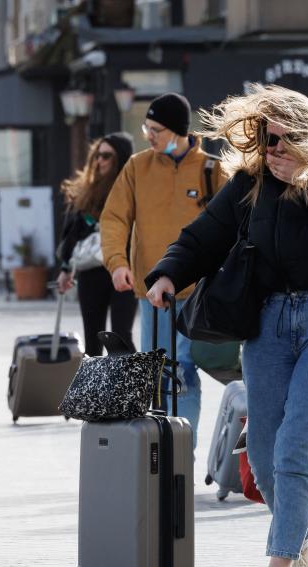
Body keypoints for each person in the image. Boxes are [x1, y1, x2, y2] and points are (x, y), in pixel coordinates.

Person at [145, 84, 308, 567]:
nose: (273, 151)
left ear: (305, 138)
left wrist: (306, 178)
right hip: (268, 325)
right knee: (266, 455)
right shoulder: (249, 185)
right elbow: (203, 237)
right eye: (267, 140)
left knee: (298, 439)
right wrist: (167, 273)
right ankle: (304, 542)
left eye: (283, 141)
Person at [100, 93, 227, 445]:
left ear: (178, 131)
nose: (149, 136)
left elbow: (232, 226)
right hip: (152, 293)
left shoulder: (212, 169)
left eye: (156, 129)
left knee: (182, 369)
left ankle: (181, 449)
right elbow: (114, 219)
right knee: (158, 372)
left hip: (198, 292)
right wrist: (117, 262)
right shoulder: (137, 167)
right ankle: (163, 445)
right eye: (147, 128)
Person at [57, 133, 138, 355]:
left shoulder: (133, 187)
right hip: (91, 270)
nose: (99, 161)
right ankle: (97, 390)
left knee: (121, 335)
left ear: (121, 158)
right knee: (93, 336)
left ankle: (131, 388)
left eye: (106, 156)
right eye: (96, 156)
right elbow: (71, 233)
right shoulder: (86, 190)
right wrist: (65, 269)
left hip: (124, 269)